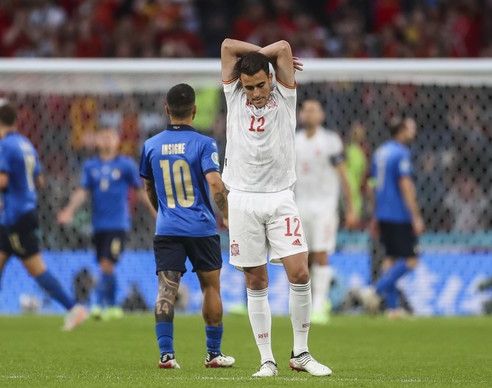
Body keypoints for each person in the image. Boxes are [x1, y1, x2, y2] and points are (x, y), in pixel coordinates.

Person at [221, 38, 332, 377]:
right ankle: (266, 360)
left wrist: (261, 57)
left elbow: (283, 48)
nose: (254, 93)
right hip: (241, 196)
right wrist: (255, 60)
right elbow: (227, 47)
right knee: (256, 281)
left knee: (299, 271)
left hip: (281, 196)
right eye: (248, 87)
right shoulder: (234, 95)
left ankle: (301, 353)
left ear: (270, 79)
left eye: (259, 85)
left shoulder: (285, 96)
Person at [0, 100, 87, 331]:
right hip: (13, 214)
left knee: (36, 268)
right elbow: (39, 180)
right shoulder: (26, 144)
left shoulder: (3, 145)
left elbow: (2, 180)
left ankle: (74, 308)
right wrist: (11, 199)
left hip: (17, 217)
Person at [139, 83, 235, 369]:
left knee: (166, 291)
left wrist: (162, 213)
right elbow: (215, 182)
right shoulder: (205, 144)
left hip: (167, 228)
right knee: (211, 289)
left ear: (166, 110)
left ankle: (166, 356)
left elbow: (148, 186)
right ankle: (213, 354)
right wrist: (227, 214)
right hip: (202, 228)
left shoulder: (150, 145)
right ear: (194, 110)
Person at [57, 127, 156, 320]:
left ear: (117, 141)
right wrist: (69, 210)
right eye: (103, 137)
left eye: (110, 137)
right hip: (98, 225)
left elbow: (140, 191)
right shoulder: (91, 166)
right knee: (104, 264)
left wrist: (155, 211)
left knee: (107, 264)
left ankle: (99, 303)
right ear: (97, 141)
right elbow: (82, 192)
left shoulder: (125, 165)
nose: (107, 140)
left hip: (118, 224)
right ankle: (110, 306)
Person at [295, 98, 359, 324]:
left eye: (314, 110)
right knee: (304, 257)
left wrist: (351, 207)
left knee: (322, 252)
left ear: (321, 115)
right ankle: (309, 302)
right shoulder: (294, 141)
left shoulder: (330, 141)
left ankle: (321, 302)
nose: (309, 113)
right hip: (300, 205)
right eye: (306, 109)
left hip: (325, 206)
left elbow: (343, 175)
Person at [363, 117, 424, 318]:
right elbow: (405, 185)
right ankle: (376, 291)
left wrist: (374, 213)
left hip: (382, 213)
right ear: (402, 131)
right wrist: (415, 215)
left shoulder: (380, 152)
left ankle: (392, 308)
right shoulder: (401, 153)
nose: (414, 132)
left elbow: (371, 185)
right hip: (399, 214)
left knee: (390, 260)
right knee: (411, 260)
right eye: (411, 128)